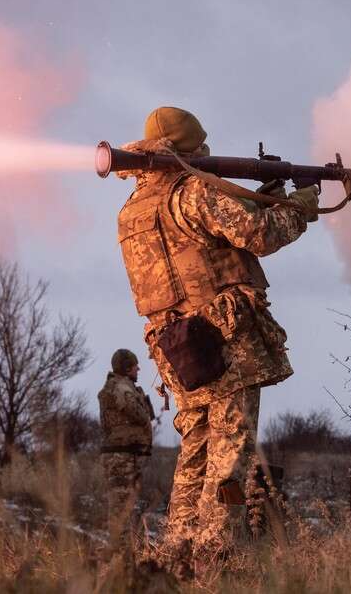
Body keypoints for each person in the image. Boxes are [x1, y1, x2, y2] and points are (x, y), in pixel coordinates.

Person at [113, 106, 318, 572]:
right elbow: (260, 235)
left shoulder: (132, 210)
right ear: (191, 147)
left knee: (198, 446)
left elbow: (199, 247)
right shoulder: (193, 191)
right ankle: (214, 554)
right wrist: (299, 207)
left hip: (174, 343)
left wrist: (260, 198)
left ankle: (177, 550)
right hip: (224, 336)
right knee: (232, 447)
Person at [97, 348, 154, 545]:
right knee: (120, 510)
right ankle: (119, 560)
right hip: (121, 457)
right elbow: (137, 414)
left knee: (123, 508)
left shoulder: (119, 386)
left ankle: (125, 556)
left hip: (125, 455)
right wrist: (142, 402)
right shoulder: (121, 388)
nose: (138, 368)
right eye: (134, 365)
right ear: (127, 368)